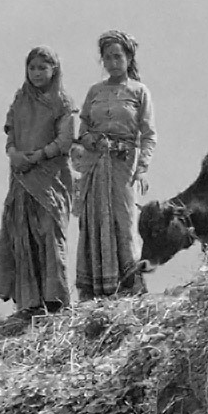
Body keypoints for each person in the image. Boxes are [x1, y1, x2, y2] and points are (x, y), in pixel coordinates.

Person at [74, 30, 156, 298]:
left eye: (117, 56)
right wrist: (90, 140)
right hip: (96, 164)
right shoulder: (95, 92)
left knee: (123, 220)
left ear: (129, 57)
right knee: (94, 220)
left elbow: (148, 135)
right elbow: (83, 125)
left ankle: (130, 287)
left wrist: (142, 168)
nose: (112, 62)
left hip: (124, 166)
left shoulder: (139, 92)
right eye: (107, 58)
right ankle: (96, 288)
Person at [0, 46, 77, 317]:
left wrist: (37, 156)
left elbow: (64, 141)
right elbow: (10, 136)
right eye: (32, 68)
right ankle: (30, 302)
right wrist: (14, 155)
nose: (37, 73)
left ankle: (56, 300)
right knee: (24, 236)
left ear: (54, 70)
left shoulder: (62, 102)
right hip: (22, 180)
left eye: (43, 67)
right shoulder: (20, 100)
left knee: (50, 235)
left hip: (51, 180)